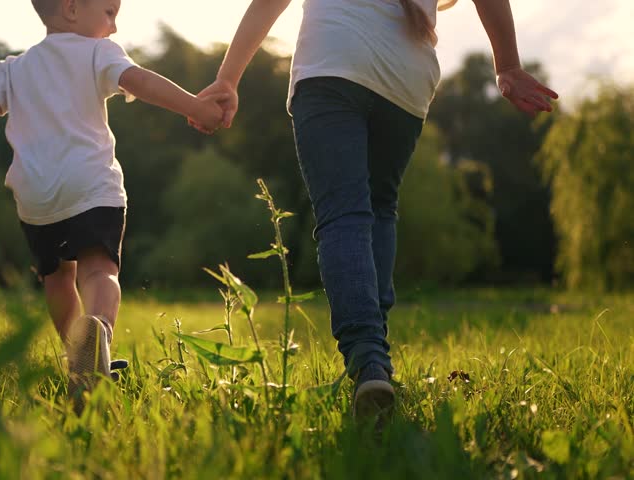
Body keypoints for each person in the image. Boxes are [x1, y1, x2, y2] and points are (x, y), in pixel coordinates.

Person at [192, 0, 558, 420]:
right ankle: (376, 362)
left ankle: (368, 360)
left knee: (345, 215)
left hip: (334, 60)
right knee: (379, 210)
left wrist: (227, 78)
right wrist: (507, 65)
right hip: (406, 79)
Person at [0, 0, 227, 410]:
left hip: (36, 192)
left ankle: (78, 360)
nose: (114, 28)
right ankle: (97, 337)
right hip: (91, 184)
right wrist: (196, 106)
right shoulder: (98, 52)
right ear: (73, 9)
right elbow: (143, 82)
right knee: (98, 270)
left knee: (57, 279)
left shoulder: (12, 68)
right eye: (110, 13)